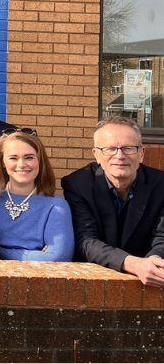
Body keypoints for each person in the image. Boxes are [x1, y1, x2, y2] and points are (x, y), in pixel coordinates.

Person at [62, 117, 164, 286]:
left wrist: (154, 261)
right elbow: (86, 241)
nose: (120, 156)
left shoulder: (161, 185)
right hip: (93, 283)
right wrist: (133, 264)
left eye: (128, 148)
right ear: (96, 155)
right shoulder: (78, 184)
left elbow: (162, 238)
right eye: (110, 149)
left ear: (141, 154)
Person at [0, 129, 74, 261]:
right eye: (13, 158)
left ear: (40, 160)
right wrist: (35, 255)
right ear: (2, 162)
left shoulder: (56, 206)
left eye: (29, 157)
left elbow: (58, 258)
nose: (22, 165)